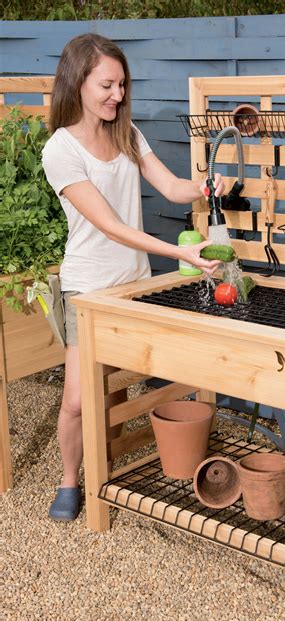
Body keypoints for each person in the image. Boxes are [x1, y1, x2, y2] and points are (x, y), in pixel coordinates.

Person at [41, 33, 225, 521]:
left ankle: (115, 458)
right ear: (77, 82)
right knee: (79, 399)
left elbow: (170, 187)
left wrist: (205, 186)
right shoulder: (59, 150)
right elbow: (112, 226)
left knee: (123, 381)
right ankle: (69, 479)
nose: (117, 96)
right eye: (107, 85)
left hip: (135, 283)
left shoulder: (127, 133)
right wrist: (181, 254)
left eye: (122, 85)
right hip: (89, 287)